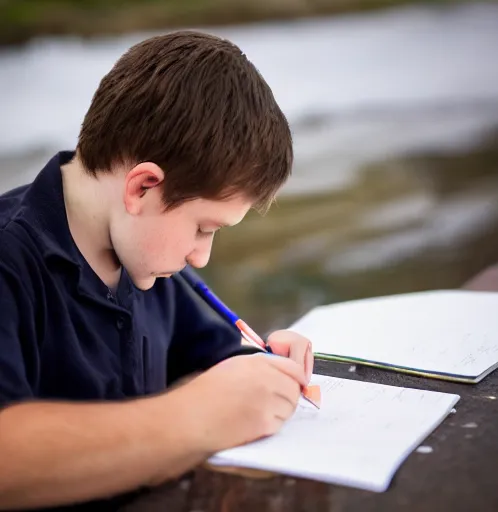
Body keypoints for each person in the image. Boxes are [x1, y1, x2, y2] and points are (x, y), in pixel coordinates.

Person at [0, 31, 313, 510]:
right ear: (143, 187)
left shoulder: (144, 256)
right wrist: (195, 418)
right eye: (203, 228)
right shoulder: (9, 261)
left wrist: (264, 366)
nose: (201, 256)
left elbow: (214, 356)